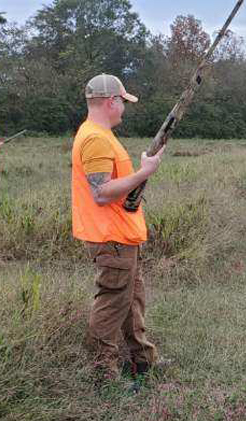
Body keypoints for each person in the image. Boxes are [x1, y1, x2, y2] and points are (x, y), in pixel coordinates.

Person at [71, 73, 166, 387]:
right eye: (123, 102)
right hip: (110, 238)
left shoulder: (101, 134)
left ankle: (141, 361)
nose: (124, 108)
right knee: (112, 304)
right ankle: (104, 375)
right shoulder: (96, 137)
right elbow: (101, 193)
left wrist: (140, 171)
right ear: (111, 101)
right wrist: (144, 173)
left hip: (122, 236)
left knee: (131, 300)